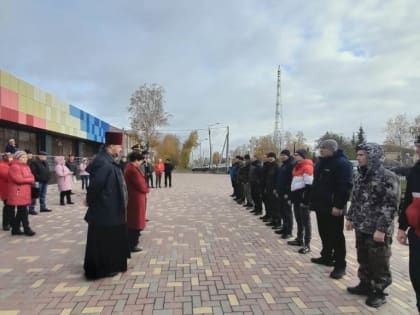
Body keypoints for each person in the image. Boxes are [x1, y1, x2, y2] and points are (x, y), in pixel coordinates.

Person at [346, 143, 399, 308]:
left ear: (372, 156)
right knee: (363, 257)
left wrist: (381, 228)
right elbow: (355, 198)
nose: (358, 158)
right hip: (362, 225)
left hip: (377, 229)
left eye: (362, 155)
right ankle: (365, 284)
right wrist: (350, 217)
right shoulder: (360, 175)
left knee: (379, 261)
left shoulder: (387, 176)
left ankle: (379, 291)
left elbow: (391, 204)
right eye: (358, 155)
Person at [83, 131, 130, 280]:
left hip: (111, 207)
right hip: (105, 208)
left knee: (111, 238)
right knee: (103, 240)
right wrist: (90, 201)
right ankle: (102, 269)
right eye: (119, 146)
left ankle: (112, 265)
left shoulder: (108, 159)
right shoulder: (103, 162)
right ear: (111, 146)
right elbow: (95, 186)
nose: (120, 149)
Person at [309, 139, 353, 279]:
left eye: (324, 148)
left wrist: (339, 205)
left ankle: (340, 265)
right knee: (324, 232)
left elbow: (345, 187)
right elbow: (316, 184)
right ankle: (326, 256)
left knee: (336, 236)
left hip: (333, 206)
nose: (321, 150)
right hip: (321, 205)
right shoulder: (321, 163)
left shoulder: (342, 163)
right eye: (320, 147)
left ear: (332, 149)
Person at [397, 135, 420, 314]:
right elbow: (407, 201)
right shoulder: (416, 171)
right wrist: (402, 227)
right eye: (417, 144)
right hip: (416, 234)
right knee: (417, 277)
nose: (418, 147)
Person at [288, 149, 313, 254]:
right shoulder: (296, 166)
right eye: (294, 155)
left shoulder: (307, 167)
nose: (295, 156)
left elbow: (309, 185)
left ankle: (307, 245)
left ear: (302, 156)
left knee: (306, 222)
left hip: (303, 199)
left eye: (297, 155)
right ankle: (299, 238)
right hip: (296, 198)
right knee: (299, 219)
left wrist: (305, 200)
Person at [124, 151, 150, 252]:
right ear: (136, 160)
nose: (141, 163)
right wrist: (146, 189)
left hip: (135, 198)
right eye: (140, 161)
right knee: (135, 222)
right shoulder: (133, 170)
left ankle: (132, 242)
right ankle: (132, 244)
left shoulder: (130, 168)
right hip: (136, 199)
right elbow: (140, 184)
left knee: (135, 221)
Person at [7, 151, 36, 236]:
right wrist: (30, 180)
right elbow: (18, 179)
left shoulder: (26, 166)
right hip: (18, 192)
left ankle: (15, 229)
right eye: (22, 157)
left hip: (25, 191)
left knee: (21, 211)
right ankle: (27, 228)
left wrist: (29, 178)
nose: (25, 159)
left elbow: (32, 176)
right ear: (17, 158)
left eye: (25, 157)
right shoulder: (15, 167)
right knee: (23, 211)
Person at [275, 150, 295, 239]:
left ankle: (289, 231)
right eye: (281, 155)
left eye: (284, 155)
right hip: (280, 192)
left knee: (287, 212)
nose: (282, 157)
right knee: (282, 211)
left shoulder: (291, 165)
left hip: (286, 193)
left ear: (288, 156)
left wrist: (288, 192)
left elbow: (291, 180)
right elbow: (279, 179)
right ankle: (284, 228)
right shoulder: (283, 165)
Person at [0, 153, 13, 230]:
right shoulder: (2, 165)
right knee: (7, 207)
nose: (11, 158)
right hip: (5, 189)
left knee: (12, 206)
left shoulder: (9, 165)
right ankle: (6, 224)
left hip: (11, 189)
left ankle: (12, 221)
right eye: (9, 157)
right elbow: (7, 175)